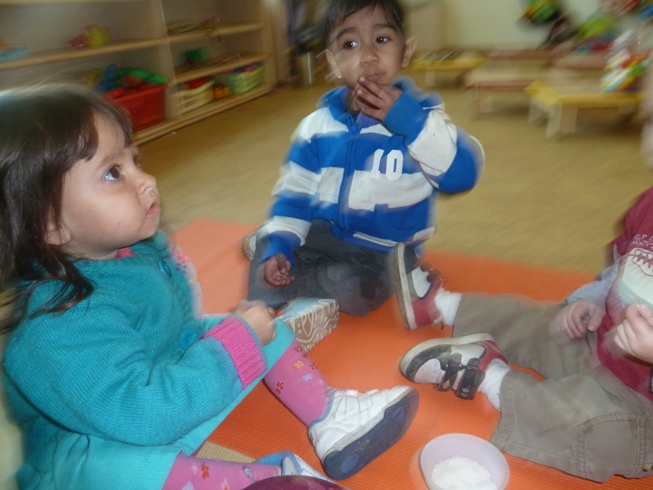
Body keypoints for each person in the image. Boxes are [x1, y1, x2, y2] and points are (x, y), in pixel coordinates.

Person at [0, 85, 420, 490]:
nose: (146, 180)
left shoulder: (129, 248)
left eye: (134, 159)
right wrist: (230, 347)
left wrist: (238, 336)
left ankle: (330, 415)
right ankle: (267, 480)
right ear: (48, 223)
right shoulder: (53, 325)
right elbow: (141, 414)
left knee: (258, 325)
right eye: (113, 173)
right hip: (112, 435)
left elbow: (180, 331)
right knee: (113, 474)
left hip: (169, 387)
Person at [392, 125, 653, 481]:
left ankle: (489, 377)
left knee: (604, 436)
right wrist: (591, 300)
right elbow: (619, 269)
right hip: (598, 342)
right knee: (537, 319)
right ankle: (442, 306)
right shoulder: (648, 204)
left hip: (638, 401)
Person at [246, 0, 484, 317]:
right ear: (331, 62)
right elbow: (295, 194)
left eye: (382, 39)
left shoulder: (424, 120)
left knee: (354, 291)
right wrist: (281, 246)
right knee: (271, 242)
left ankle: (303, 293)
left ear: (406, 51)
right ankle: (282, 293)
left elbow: (463, 175)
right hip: (324, 233)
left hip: (385, 251)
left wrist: (412, 125)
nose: (368, 55)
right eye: (350, 44)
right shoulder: (315, 127)